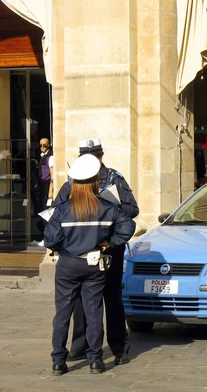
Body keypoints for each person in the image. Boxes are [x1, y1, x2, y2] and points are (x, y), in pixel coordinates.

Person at [44, 154, 135, 376]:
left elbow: (50, 239)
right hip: (94, 264)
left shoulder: (63, 209)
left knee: (63, 314)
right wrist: (108, 243)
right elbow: (128, 226)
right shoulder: (106, 206)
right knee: (94, 312)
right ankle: (96, 361)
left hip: (67, 264)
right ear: (95, 181)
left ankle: (58, 361)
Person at [31, 138, 53, 245]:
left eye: (44, 145)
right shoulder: (42, 156)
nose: (42, 147)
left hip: (46, 186)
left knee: (46, 213)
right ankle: (42, 237)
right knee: (40, 212)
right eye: (40, 145)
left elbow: (52, 175)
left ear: (48, 145)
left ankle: (46, 239)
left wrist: (51, 190)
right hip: (41, 187)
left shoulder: (50, 157)